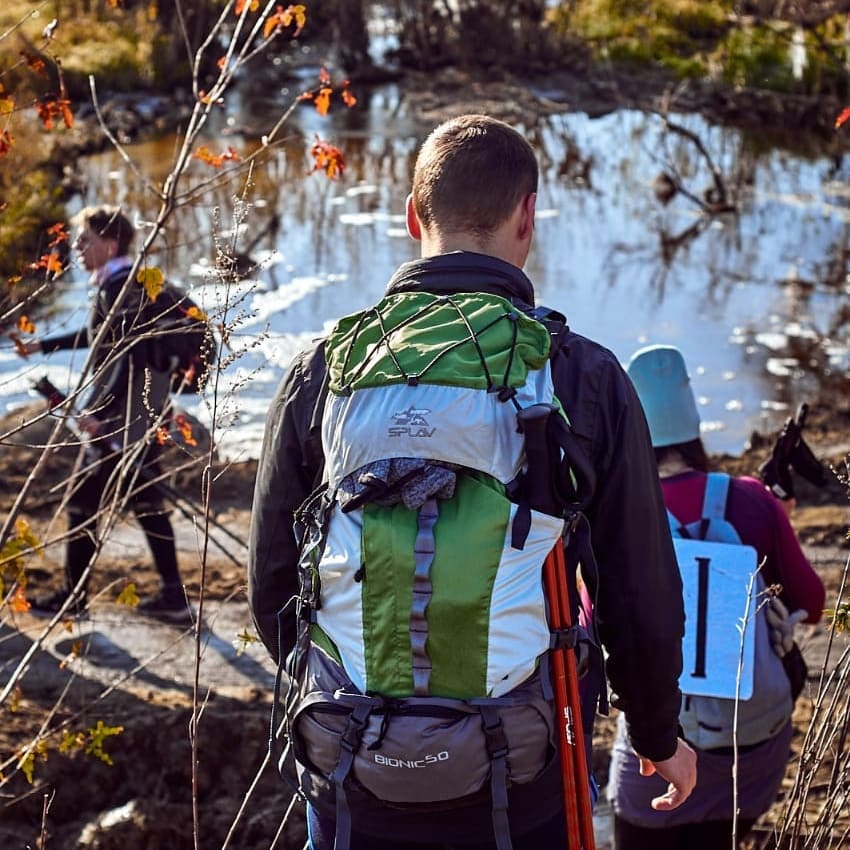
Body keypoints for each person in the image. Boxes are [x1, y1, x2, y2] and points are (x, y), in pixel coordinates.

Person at [248, 114, 696, 849]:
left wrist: (356, 700)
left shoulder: (323, 372)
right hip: (523, 771)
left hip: (350, 765)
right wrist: (656, 730)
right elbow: (637, 585)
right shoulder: (577, 374)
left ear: (411, 216)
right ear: (529, 217)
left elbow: (271, 584)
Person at [607, 344, 825, 850]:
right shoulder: (752, 499)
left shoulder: (616, 509)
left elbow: (595, 622)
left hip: (655, 752)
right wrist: (773, 524)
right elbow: (812, 604)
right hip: (749, 752)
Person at [16, 205, 189, 621]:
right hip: (143, 419)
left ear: (110, 244)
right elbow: (100, 337)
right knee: (148, 504)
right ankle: (174, 598)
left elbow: (126, 362)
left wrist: (101, 416)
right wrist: (43, 346)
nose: (76, 245)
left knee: (81, 504)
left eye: (86, 238)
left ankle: (72, 599)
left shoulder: (119, 291)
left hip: (122, 425)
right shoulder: (128, 286)